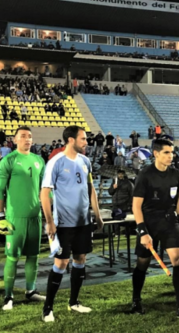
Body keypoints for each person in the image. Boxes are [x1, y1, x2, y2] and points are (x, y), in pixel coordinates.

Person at [40, 126, 104, 322]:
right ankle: (47, 309)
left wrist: (97, 214)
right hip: (63, 223)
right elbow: (44, 193)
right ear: (70, 140)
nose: (86, 142)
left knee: (80, 259)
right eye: (83, 139)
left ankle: (74, 302)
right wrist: (49, 222)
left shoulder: (85, 161)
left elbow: (90, 188)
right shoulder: (56, 162)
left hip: (83, 221)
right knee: (61, 262)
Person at [130, 139, 179, 319]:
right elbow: (136, 206)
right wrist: (143, 232)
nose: (170, 156)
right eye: (166, 152)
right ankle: (136, 300)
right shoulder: (145, 175)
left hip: (169, 221)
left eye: (172, 152)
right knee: (142, 263)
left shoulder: (175, 174)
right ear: (156, 154)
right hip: (149, 222)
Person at [0, 127, 46, 311]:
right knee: (12, 257)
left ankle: (30, 291)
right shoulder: (8, 160)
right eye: (23, 136)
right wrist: (0, 216)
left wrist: (48, 212)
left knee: (33, 256)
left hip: (35, 217)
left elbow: (45, 189)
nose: (27, 139)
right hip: (14, 218)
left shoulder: (39, 160)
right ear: (15, 139)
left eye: (30, 136)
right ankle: (8, 296)